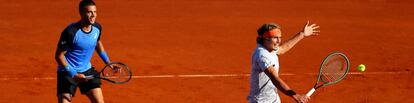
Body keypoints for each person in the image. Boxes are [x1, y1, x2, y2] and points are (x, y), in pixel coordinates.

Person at [248, 21, 320, 103]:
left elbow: (283, 49)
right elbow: (273, 77)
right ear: (266, 38)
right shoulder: (262, 55)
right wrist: (295, 95)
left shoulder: (270, 47)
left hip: (274, 99)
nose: (278, 41)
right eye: (275, 38)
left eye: (280, 37)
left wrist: (302, 34)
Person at [55, 0, 110, 103]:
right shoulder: (70, 32)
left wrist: (108, 62)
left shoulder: (97, 28)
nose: (93, 15)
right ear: (81, 13)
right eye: (89, 12)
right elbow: (59, 56)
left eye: (95, 12)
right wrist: (73, 73)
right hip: (67, 71)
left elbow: (97, 42)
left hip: (87, 70)